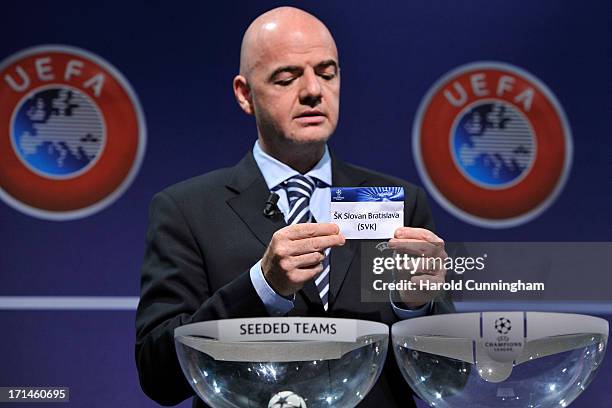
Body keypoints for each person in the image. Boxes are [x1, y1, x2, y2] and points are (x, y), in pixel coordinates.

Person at [135, 6, 452, 407]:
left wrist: (415, 307)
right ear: (244, 94)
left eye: (326, 73)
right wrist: (261, 288)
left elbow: (449, 380)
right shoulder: (186, 210)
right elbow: (157, 374)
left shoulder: (399, 201)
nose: (312, 91)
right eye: (286, 78)